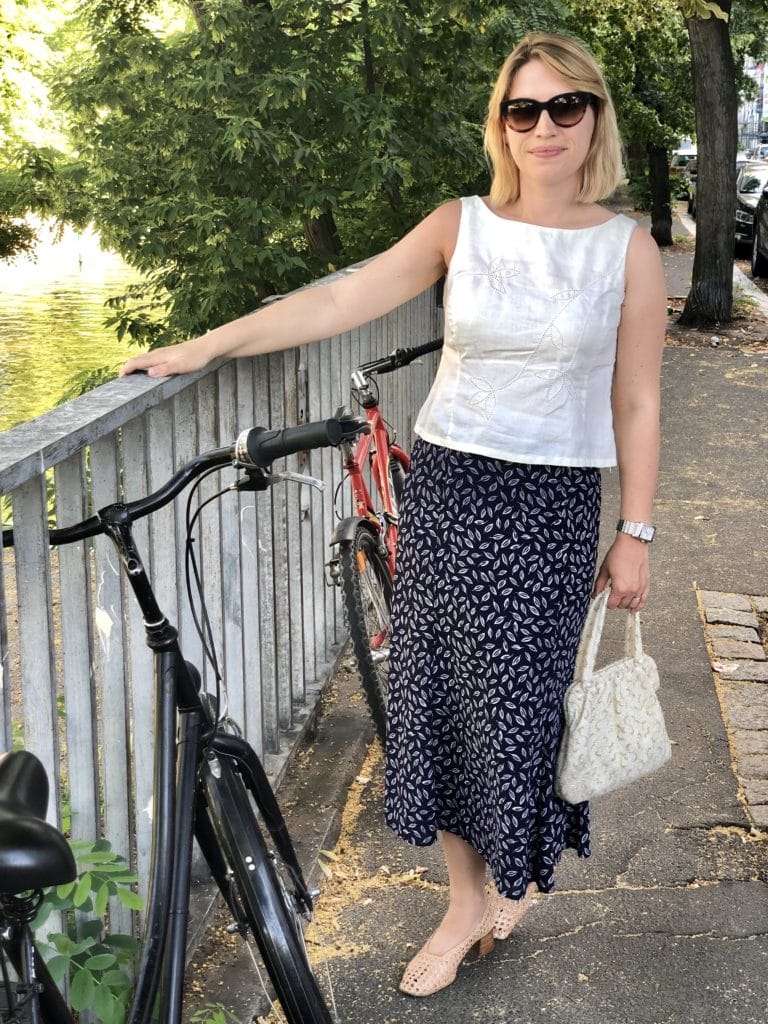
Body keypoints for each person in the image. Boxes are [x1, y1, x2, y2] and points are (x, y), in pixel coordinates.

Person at [121, 32, 665, 999]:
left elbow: (637, 400)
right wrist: (206, 345)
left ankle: (513, 869)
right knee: (447, 696)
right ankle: (466, 899)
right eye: (522, 110)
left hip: (549, 508)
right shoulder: (462, 224)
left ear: (594, 121)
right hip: (453, 490)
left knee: (523, 708)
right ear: (503, 124)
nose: (543, 128)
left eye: (564, 108)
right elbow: (346, 295)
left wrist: (636, 530)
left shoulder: (627, 248)